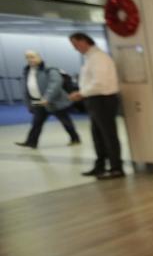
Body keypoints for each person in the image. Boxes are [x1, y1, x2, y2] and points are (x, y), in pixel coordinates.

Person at [67, 33, 124, 179]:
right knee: (98, 135)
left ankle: (116, 168)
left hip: (103, 99)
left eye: (75, 44)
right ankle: (101, 166)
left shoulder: (99, 58)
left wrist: (81, 93)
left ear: (84, 41)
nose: (75, 48)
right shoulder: (91, 58)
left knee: (108, 135)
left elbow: (100, 82)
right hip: (95, 99)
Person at [15, 50, 81, 148]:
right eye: (27, 57)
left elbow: (55, 84)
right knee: (36, 123)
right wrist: (28, 103)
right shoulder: (27, 71)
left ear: (39, 57)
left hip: (55, 102)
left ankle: (75, 139)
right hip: (39, 102)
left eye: (32, 57)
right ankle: (31, 142)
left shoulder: (50, 69)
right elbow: (26, 88)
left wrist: (47, 98)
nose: (30, 59)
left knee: (65, 121)